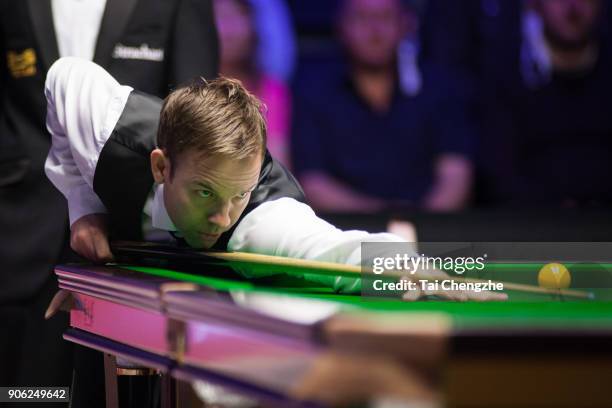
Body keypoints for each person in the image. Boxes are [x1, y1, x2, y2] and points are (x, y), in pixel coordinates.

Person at [44, 57, 507, 304]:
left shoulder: (258, 223)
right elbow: (60, 77)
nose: (221, 217)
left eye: (236, 194)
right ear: (162, 167)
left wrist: (415, 270)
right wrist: (85, 208)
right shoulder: (111, 129)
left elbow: (338, 253)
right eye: (205, 192)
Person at [0, 0, 218, 399]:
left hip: (132, 237)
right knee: (24, 395)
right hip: (19, 230)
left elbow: (198, 108)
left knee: (116, 394)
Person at [291, 0, 475, 213]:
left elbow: (455, 176)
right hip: (341, 233)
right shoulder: (312, 89)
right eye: (361, 17)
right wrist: (384, 225)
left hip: (431, 233)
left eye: (385, 17)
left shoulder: (441, 87)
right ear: (340, 25)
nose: (374, 30)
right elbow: (313, 183)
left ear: (407, 25)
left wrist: (422, 229)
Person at [479, 0, 612, 207]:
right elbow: (499, 174)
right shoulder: (506, 74)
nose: (573, 6)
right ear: (534, 5)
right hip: (533, 225)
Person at [214, 0, 292, 168]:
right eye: (220, 17)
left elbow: (277, 163)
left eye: (238, 17)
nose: (229, 31)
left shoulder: (272, 92)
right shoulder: (189, 91)